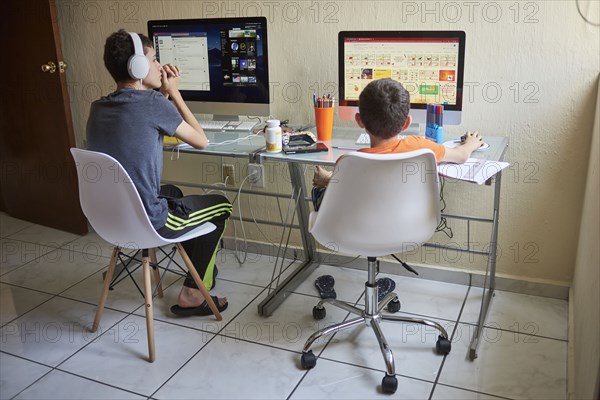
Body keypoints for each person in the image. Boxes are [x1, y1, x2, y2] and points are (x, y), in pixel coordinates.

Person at [86, 30, 231, 317]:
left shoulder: (98, 107)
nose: (159, 66)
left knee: (174, 193)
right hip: (149, 220)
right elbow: (201, 140)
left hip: (110, 219)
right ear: (137, 67)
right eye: (154, 59)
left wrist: (161, 96)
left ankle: (192, 266)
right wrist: (175, 92)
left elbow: (138, 128)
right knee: (220, 205)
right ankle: (193, 293)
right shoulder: (153, 105)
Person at [312, 78, 484, 207]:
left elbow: (348, 186)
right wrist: (471, 143)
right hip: (410, 229)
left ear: (359, 120)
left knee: (320, 191)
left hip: (357, 229)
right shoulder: (421, 147)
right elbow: (461, 156)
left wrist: (328, 179)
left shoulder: (350, 162)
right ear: (407, 123)